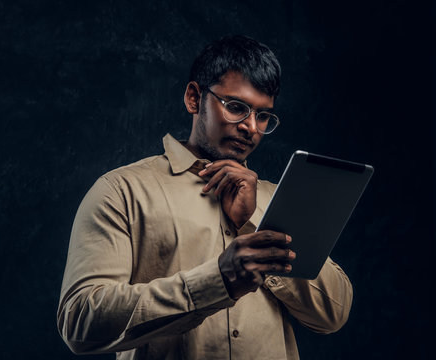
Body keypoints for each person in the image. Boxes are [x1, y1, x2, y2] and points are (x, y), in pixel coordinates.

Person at [57, 35, 353, 360]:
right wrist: (218, 281)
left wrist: (252, 224)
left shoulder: (276, 200)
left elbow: (333, 313)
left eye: (263, 115)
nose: (251, 128)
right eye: (236, 107)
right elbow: (80, 322)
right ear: (194, 98)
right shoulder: (121, 191)